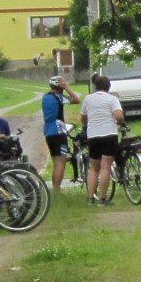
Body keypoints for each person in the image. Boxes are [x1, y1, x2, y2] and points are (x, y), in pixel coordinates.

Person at [79, 72, 126, 203]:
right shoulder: (112, 99)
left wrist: (87, 126)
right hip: (109, 135)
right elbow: (118, 116)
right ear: (108, 87)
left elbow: (82, 117)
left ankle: (90, 197)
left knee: (94, 168)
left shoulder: (88, 99)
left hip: (93, 136)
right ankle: (103, 198)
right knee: (105, 166)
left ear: (95, 86)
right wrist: (120, 122)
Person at [41, 75, 80, 190]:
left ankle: (55, 188)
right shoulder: (59, 97)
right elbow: (77, 99)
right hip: (58, 132)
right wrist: (67, 88)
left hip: (48, 132)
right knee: (61, 163)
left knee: (55, 162)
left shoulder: (45, 97)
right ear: (60, 86)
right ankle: (57, 189)